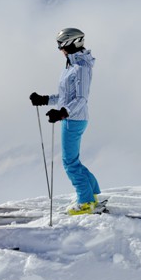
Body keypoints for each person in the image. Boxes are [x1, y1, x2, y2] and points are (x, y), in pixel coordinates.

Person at [30, 28, 101, 215]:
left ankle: (85, 202)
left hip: (74, 119)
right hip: (73, 117)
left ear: (69, 44)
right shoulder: (72, 65)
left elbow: (81, 98)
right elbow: (65, 96)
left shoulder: (81, 68)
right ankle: (92, 195)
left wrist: (63, 112)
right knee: (73, 160)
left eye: (60, 45)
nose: (59, 49)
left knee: (69, 163)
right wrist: (44, 99)